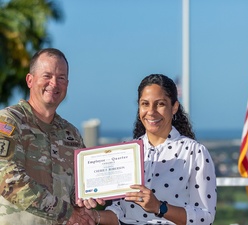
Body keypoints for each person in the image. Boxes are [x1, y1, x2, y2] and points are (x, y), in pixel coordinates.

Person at [78, 74, 217, 225]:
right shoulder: (126, 152)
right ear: (139, 107)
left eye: (160, 104)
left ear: (174, 107)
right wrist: (93, 216)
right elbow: (120, 213)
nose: (151, 111)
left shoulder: (194, 152)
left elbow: (205, 217)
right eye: (145, 104)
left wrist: (159, 207)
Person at [0, 48, 94, 224]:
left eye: (61, 78)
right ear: (30, 80)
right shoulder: (8, 122)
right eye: (47, 76)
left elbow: (80, 188)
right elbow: (7, 179)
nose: (54, 83)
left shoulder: (71, 134)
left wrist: (88, 200)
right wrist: (66, 213)